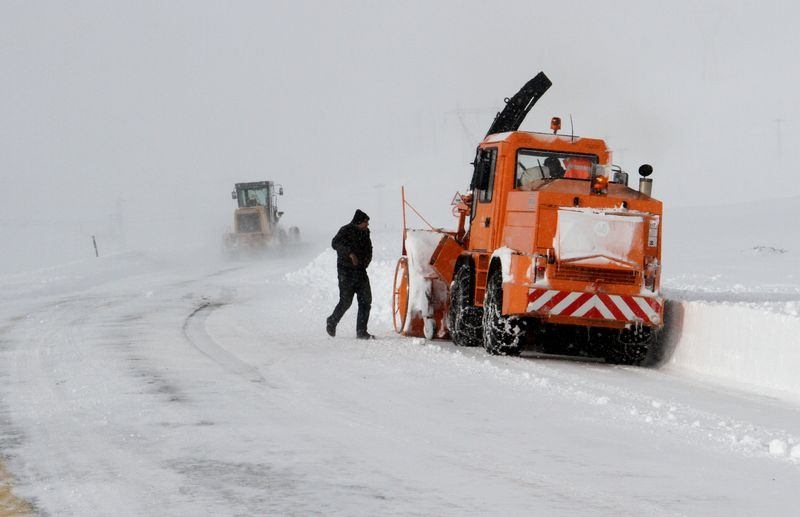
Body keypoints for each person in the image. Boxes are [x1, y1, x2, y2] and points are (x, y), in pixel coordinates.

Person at [326, 209, 374, 339]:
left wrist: (366, 261)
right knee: (346, 301)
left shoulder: (365, 233)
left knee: (365, 301)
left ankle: (361, 331)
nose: (367, 224)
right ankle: (332, 321)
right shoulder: (345, 230)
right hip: (346, 272)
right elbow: (334, 243)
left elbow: (369, 248)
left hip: (360, 271)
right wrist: (349, 253)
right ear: (359, 221)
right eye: (366, 222)